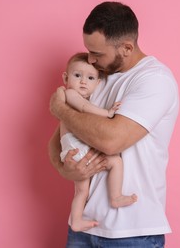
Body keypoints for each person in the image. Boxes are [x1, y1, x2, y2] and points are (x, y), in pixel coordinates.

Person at [49, 1, 179, 247]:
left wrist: (60, 108)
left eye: (97, 53)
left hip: (132, 232)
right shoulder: (94, 78)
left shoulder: (154, 80)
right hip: (82, 226)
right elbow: (56, 142)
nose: (90, 59)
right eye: (88, 51)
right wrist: (64, 168)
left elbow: (112, 141)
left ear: (126, 48)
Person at [60, 52, 137, 232]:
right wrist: (108, 114)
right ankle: (115, 196)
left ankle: (76, 220)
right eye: (77, 75)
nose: (83, 82)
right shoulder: (70, 94)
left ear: (98, 83)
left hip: (77, 148)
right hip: (76, 148)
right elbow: (84, 107)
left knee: (81, 191)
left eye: (90, 78)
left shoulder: (84, 97)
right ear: (66, 77)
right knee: (115, 161)